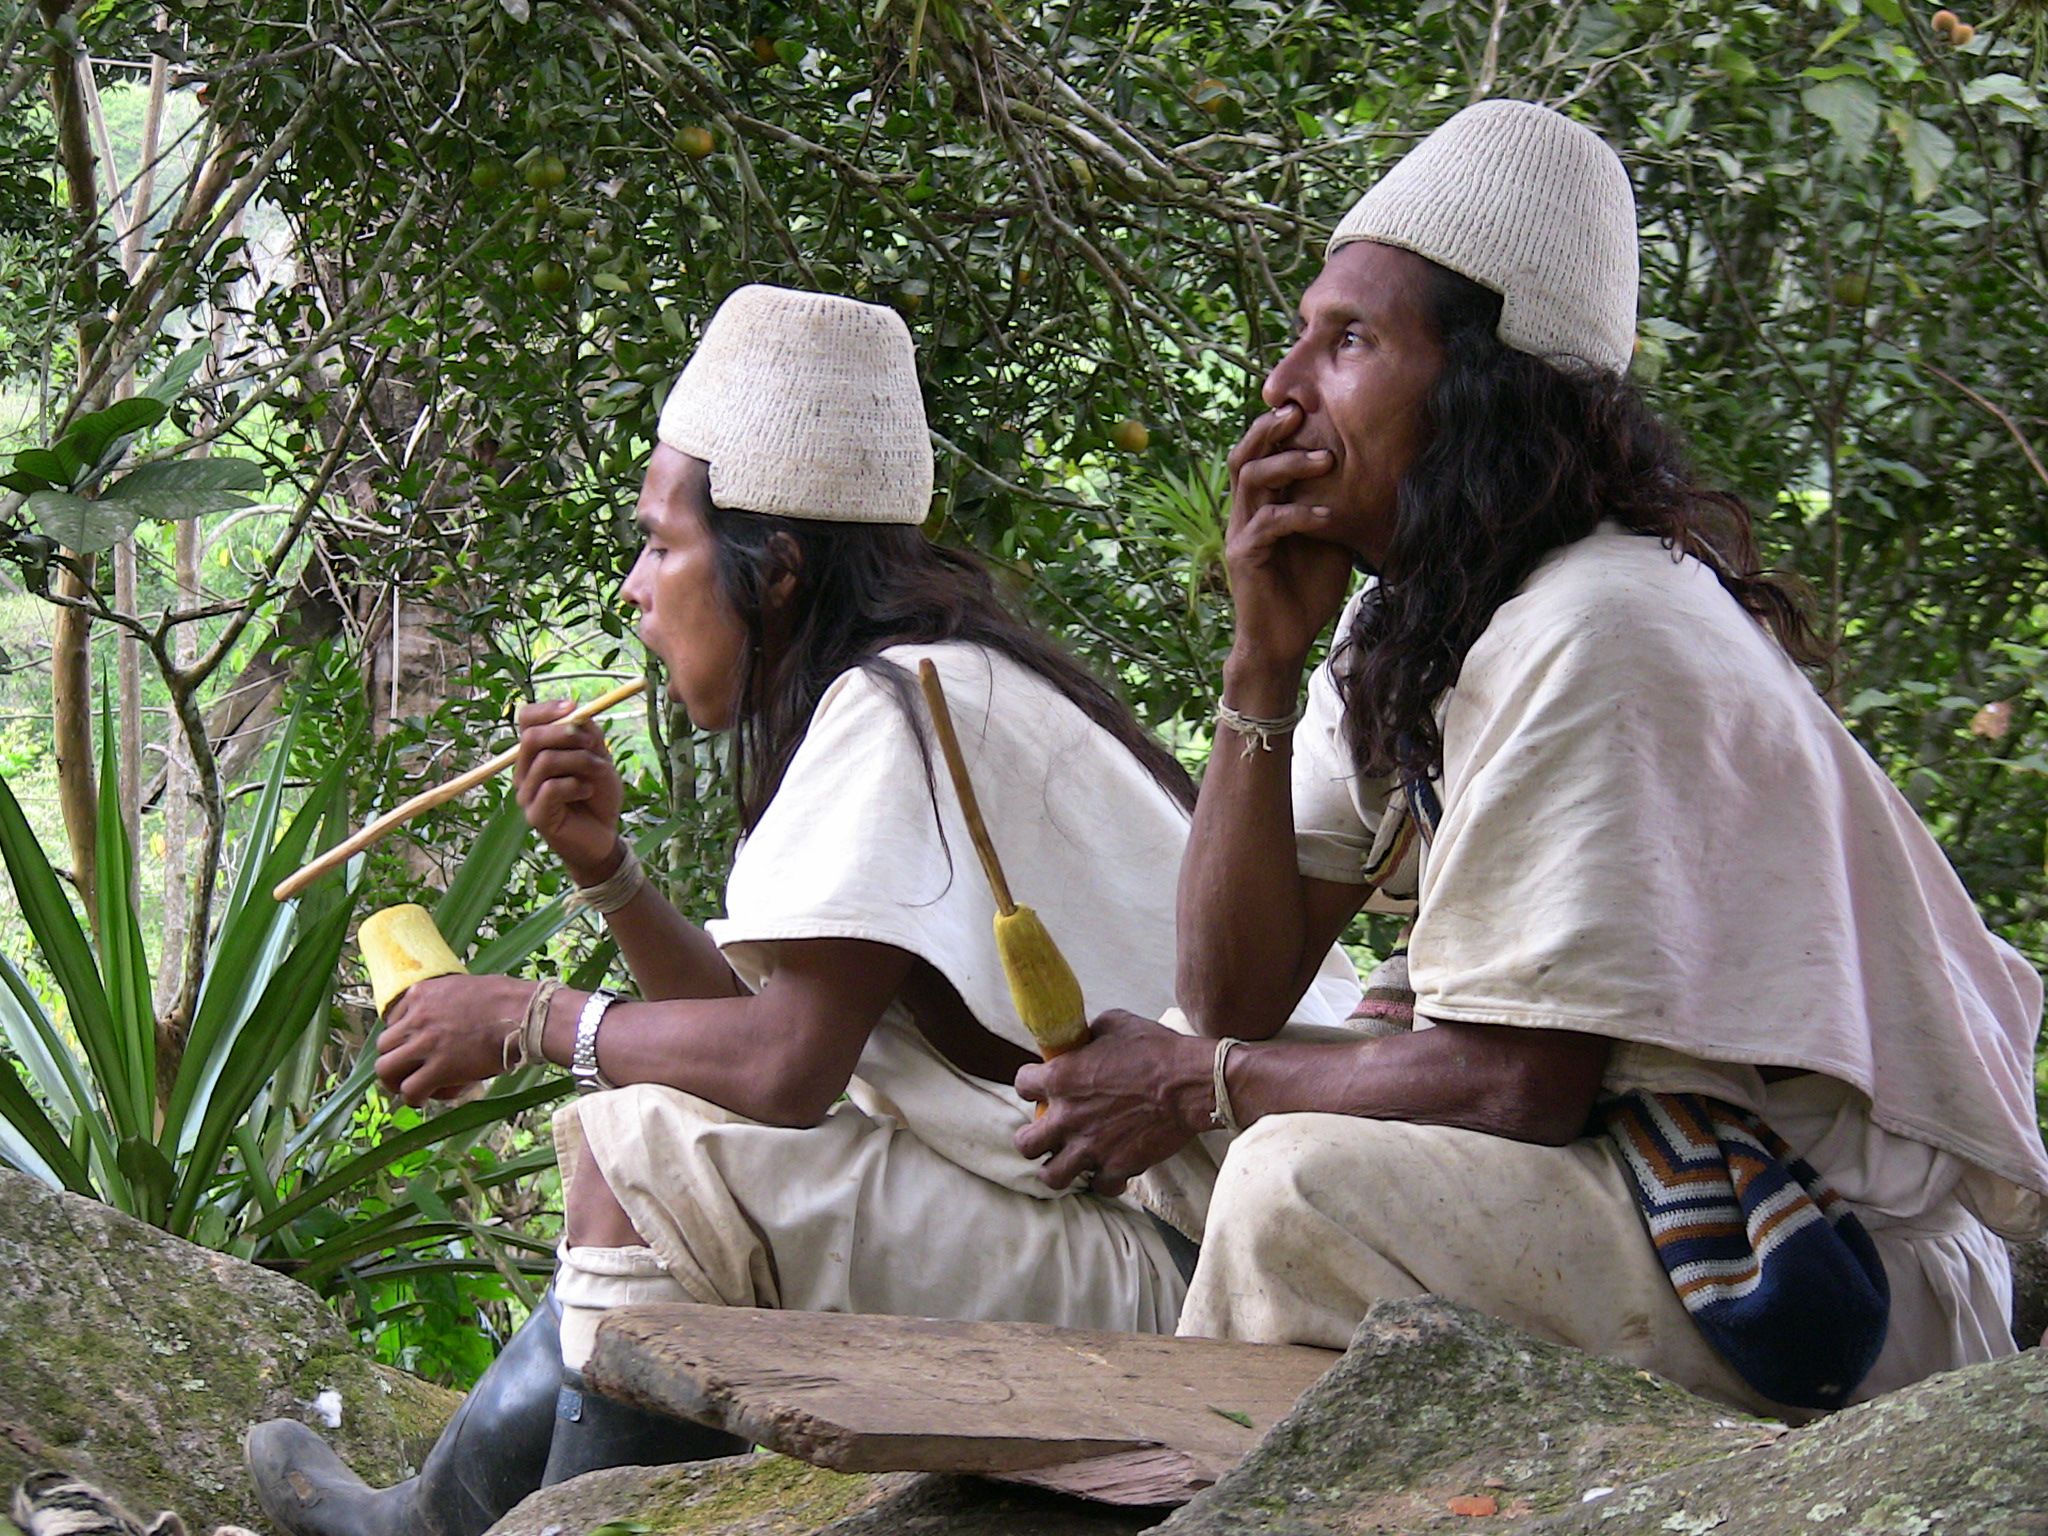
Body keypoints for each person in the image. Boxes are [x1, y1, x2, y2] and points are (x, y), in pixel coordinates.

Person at [246, 283, 1361, 1536]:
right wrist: (609, 874)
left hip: (1186, 1273)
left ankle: (495, 1523)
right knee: (668, 1135)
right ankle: (443, 1517)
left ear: (771, 572)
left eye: (659, 544)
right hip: (1150, 1245)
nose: (632, 588)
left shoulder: (902, 702)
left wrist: (526, 1016)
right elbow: (775, 1043)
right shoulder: (922, 680)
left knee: (645, 1147)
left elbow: (781, 1071)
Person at [1014, 99, 2048, 1420]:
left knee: (1287, 1184)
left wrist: (1196, 1083)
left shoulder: (1601, 619)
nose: (1284, 386)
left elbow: (1522, 1084)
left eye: (1351, 342)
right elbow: (1230, 998)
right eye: (1301, 335)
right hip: (1645, 1196)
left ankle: (1225, 1483)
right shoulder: (1418, 629)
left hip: (1814, 1262)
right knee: (1184, 1115)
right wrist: (1259, 670)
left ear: (1483, 389)